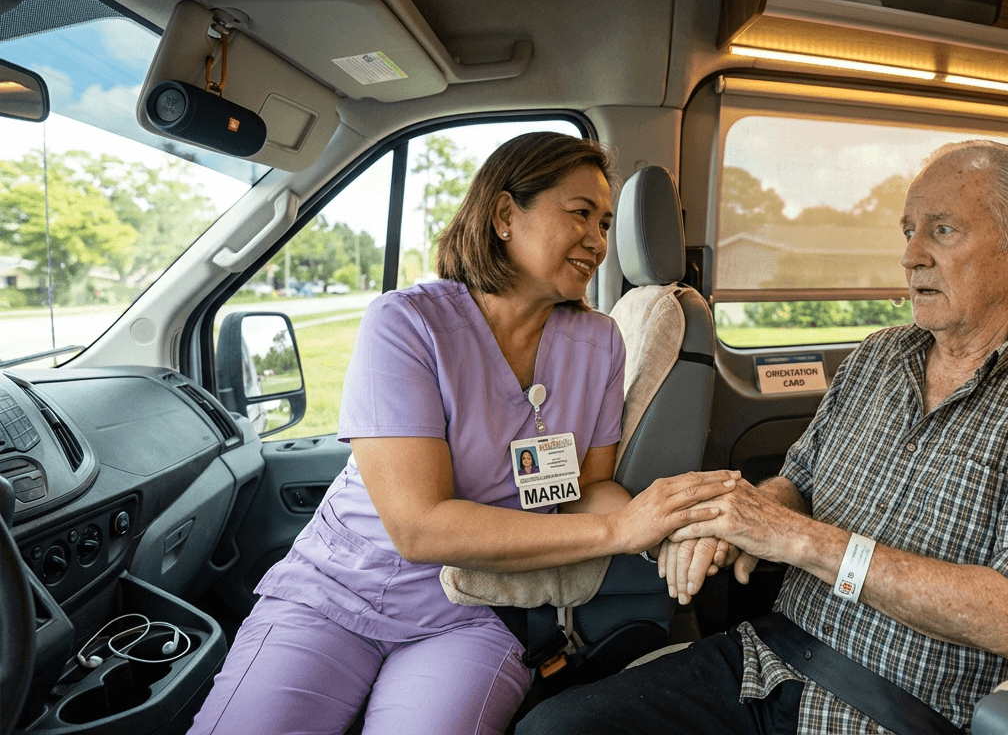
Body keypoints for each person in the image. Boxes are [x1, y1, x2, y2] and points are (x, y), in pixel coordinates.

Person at [519, 140, 1008, 734]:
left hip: (893, 707)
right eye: (909, 231)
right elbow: (798, 484)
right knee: (548, 728)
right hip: (767, 658)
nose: (911, 256)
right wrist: (733, 520)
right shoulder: (878, 356)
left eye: (943, 229)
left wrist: (794, 539)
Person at [188, 132, 738, 735]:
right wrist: (620, 528)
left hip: (476, 605)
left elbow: (590, 487)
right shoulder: (408, 323)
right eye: (580, 214)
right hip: (338, 595)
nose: (598, 241)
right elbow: (417, 525)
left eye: (606, 224)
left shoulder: (601, 340)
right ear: (505, 215)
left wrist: (660, 528)